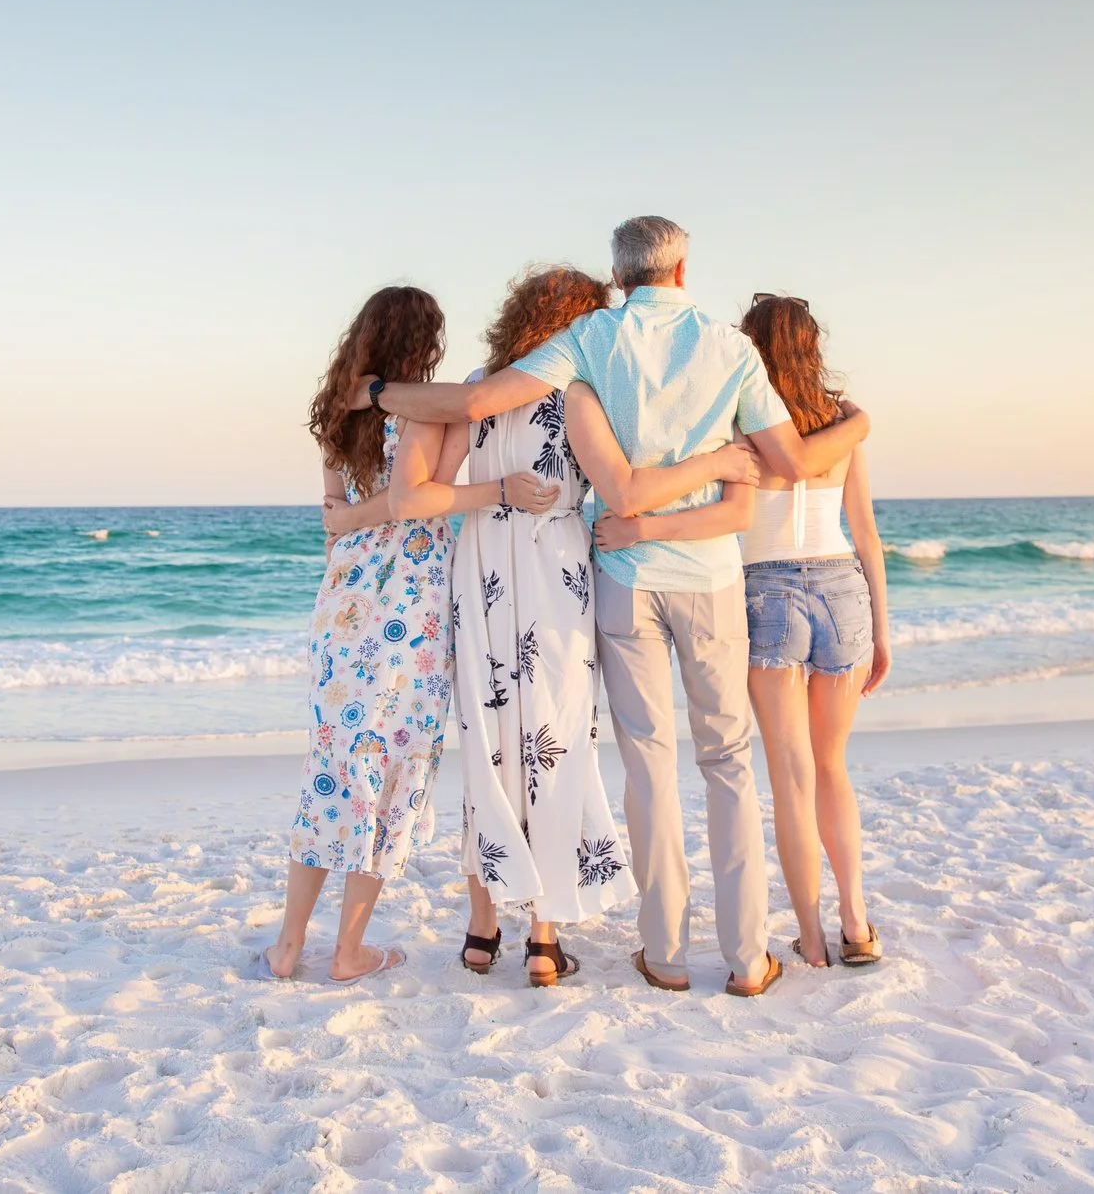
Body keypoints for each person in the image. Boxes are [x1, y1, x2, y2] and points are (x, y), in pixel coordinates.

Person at [361, 217, 869, 997]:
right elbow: (792, 462)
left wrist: (379, 391)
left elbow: (480, 398)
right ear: (683, 266)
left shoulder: (592, 337)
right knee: (729, 765)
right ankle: (745, 958)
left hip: (625, 576)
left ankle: (663, 953)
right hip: (709, 578)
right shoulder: (731, 349)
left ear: (620, 271)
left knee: (648, 765)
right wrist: (858, 424)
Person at [446, 266, 743, 987]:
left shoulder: (476, 384)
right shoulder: (582, 390)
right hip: (556, 570)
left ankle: (482, 928)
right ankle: (543, 938)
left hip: (481, 565)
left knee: (488, 741)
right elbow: (619, 483)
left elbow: (436, 488)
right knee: (554, 745)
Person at [266, 286, 559, 983]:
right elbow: (413, 498)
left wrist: (348, 519)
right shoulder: (425, 410)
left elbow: (334, 511)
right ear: (422, 342)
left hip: (342, 602)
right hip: (408, 603)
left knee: (334, 770)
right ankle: (347, 951)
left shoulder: (336, 410)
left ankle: (287, 946)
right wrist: (500, 492)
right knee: (390, 772)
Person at [598, 293, 890, 969]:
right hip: (842, 587)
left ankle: (811, 938)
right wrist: (882, 628)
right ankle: (856, 922)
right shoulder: (843, 422)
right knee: (830, 768)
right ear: (813, 346)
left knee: (789, 774)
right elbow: (867, 533)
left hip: (767, 595)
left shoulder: (741, 420)